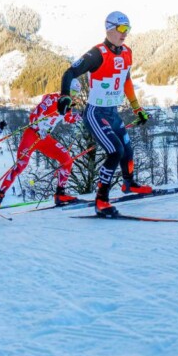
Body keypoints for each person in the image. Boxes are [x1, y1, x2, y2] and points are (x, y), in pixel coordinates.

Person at [59, 11, 151, 217]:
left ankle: (129, 183)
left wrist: (137, 108)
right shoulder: (98, 53)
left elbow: (126, 81)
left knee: (127, 150)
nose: (125, 33)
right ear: (109, 29)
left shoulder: (127, 52)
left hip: (112, 112)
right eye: (121, 28)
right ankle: (101, 200)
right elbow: (69, 72)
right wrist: (64, 95)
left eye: (128, 28)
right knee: (114, 151)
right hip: (95, 112)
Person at [0, 79, 83, 209]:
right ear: (66, 90)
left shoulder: (67, 106)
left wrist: (82, 116)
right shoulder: (52, 99)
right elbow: (34, 115)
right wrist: (39, 127)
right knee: (21, 165)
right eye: (73, 92)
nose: (74, 96)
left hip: (44, 139)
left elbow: (68, 119)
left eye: (77, 94)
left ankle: (60, 194)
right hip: (32, 134)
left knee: (67, 159)